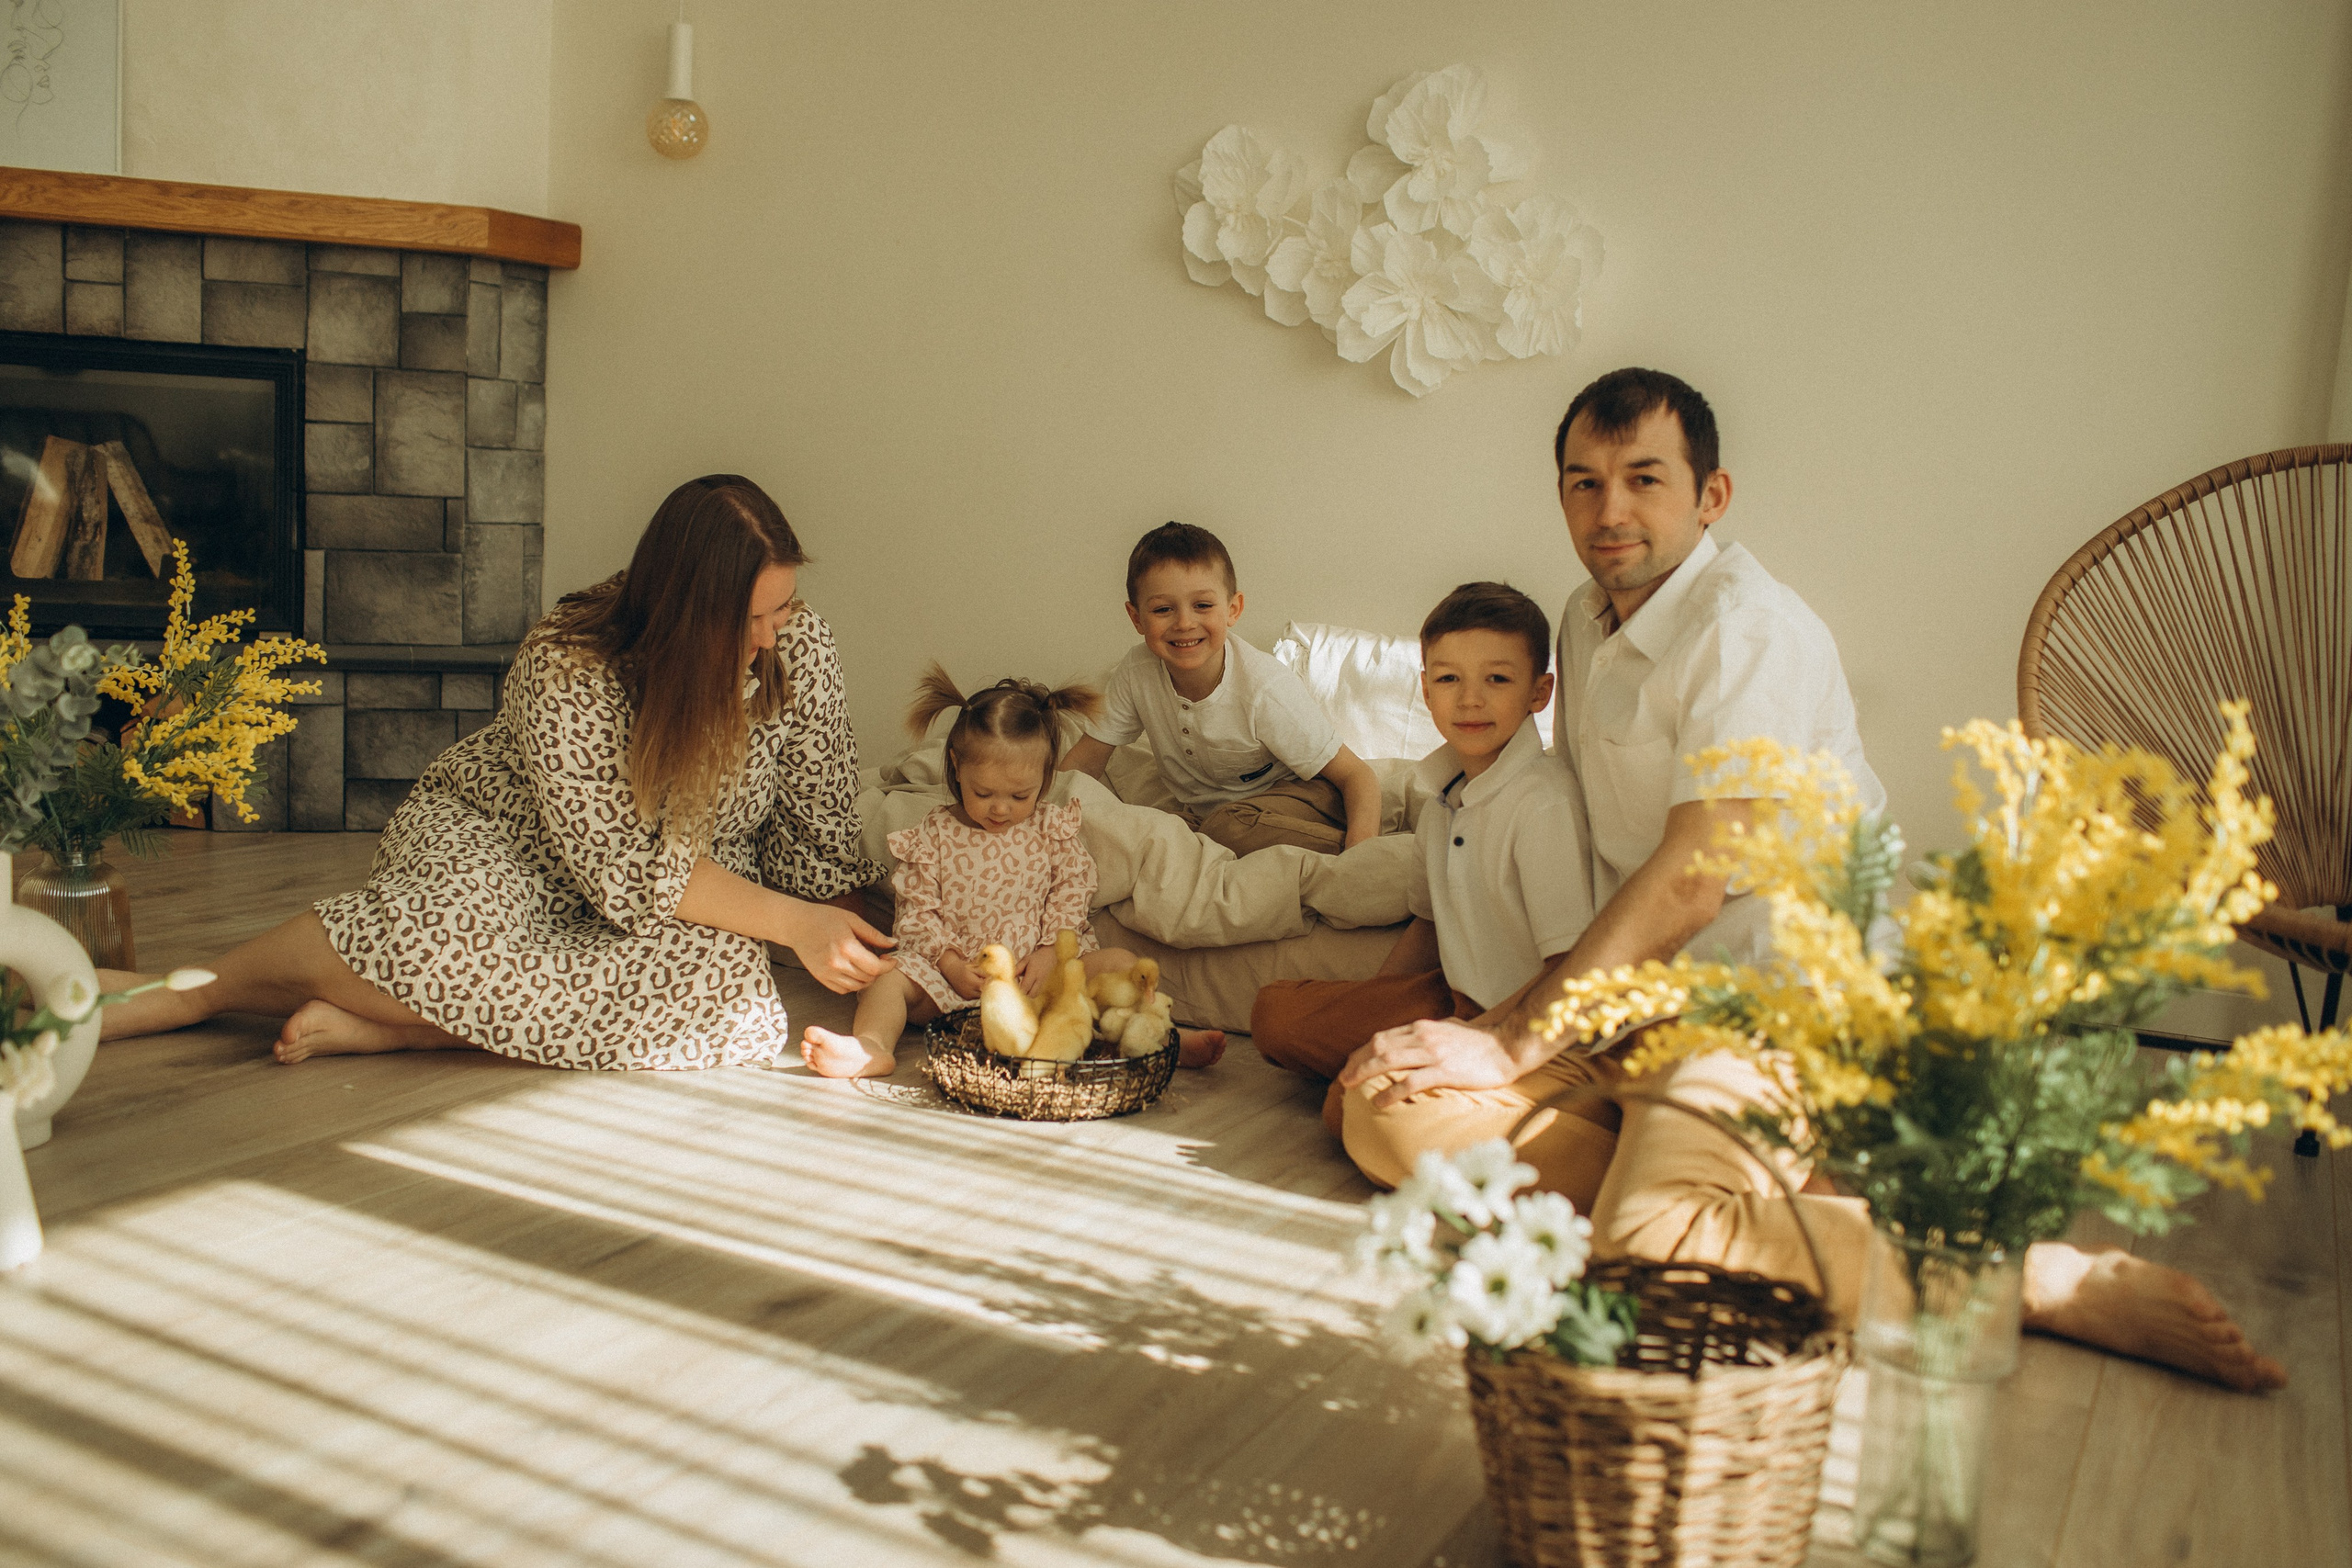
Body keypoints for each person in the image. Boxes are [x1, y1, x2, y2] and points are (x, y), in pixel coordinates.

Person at [1336, 367, 2287, 1393]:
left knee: (1646, 1240)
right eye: (1583, 483)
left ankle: (2014, 1281)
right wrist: (1491, 1029)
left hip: (1771, 1005)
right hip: (1638, 1002)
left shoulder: (1748, 633)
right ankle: (1770, 1196)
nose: (1609, 511)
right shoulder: (1581, 616)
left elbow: (1695, 877)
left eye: (1644, 480)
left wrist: (1515, 1040)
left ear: (1711, 497)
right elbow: (1612, 867)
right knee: (1381, 1104)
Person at [97, 474, 900, 1071]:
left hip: (684, 891)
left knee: (723, 995)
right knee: (437, 936)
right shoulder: (567, 665)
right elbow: (626, 872)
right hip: (507, 840)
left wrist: (872, 937)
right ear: (688, 612)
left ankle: (404, 1026)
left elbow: (815, 831)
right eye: (752, 618)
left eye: (784, 607)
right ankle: (198, 991)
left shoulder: (799, 648)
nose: (773, 636)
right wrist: (792, 922)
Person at [1248, 582, 1618, 1190]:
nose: (1470, 699)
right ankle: (1402, 1074)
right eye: (1448, 679)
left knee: (1357, 1108)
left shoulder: (1543, 803)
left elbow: (1568, 965)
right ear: (1424, 688)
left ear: (1538, 692)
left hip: (1532, 1026)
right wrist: (1372, 1016)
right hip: (1452, 1000)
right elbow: (1426, 923)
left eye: (1497, 679)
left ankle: (1590, 1147)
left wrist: (1473, 1036)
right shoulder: (1439, 793)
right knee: (1278, 1016)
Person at [800, 665, 1227, 1077]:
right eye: (982, 792)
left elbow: (1072, 891)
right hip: (953, 981)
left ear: (1044, 777)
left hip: (1037, 979)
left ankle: (1163, 1037)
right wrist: (948, 964)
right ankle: (872, 1047)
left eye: (1020, 795)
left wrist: (1047, 953)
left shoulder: (1050, 828)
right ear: (955, 766)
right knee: (886, 978)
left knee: (1120, 963)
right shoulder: (933, 835)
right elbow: (916, 912)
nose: (1000, 809)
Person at [1057, 522, 1383, 856]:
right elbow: (1086, 760)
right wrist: (1042, 816)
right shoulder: (1135, 673)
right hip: (1209, 817)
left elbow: (1357, 775)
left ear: (1233, 609)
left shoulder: (1263, 688)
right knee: (1150, 832)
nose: (1184, 623)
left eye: (1202, 605)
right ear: (1137, 617)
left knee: (1226, 828)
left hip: (1304, 797)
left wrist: (1363, 849)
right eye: (1162, 609)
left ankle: (1344, 848)